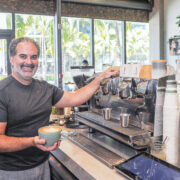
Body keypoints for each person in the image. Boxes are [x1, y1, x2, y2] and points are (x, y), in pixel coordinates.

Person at [0, 37, 119, 180]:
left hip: (43, 165)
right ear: (12, 59)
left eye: (34, 57)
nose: (29, 62)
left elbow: (75, 98)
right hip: (12, 172)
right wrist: (32, 141)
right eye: (23, 56)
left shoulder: (45, 89)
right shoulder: (3, 91)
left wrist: (100, 79)